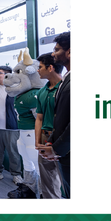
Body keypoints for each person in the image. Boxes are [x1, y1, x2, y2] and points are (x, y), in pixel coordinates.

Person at [38, 31, 71, 198]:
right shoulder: (67, 79)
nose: (53, 53)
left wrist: (56, 148)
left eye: (57, 49)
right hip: (62, 151)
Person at [35, 53, 64, 198]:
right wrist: (37, 141)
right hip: (45, 138)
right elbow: (39, 118)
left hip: (62, 139)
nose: (38, 70)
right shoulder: (41, 91)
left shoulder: (65, 89)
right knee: (47, 181)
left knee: (66, 179)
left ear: (50, 67)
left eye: (40, 67)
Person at [0, 66, 23, 184]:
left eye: (0, 73)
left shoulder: (15, 88)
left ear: (7, 75)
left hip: (11, 126)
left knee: (13, 152)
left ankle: (16, 174)